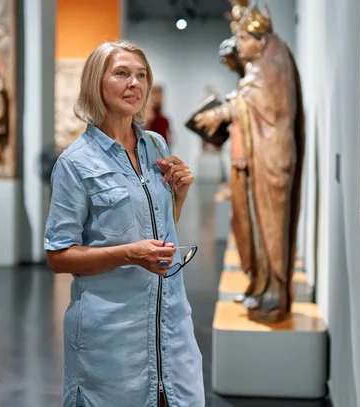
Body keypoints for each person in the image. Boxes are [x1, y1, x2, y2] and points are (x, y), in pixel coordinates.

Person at [44, 40, 204, 407]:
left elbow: (155, 228)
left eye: (142, 75)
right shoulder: (76, 163)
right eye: (122, 73)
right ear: (96, 84)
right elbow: (58, 256)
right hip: (113, 338)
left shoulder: (157, 146)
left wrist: (177, 199)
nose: (135, 83)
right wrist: (130, 255)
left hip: (172, 326)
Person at [193, 3, 305, 323]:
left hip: (270, 158)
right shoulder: (258, 67)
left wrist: (221, 112)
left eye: (243, 38)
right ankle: (261, 284)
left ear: (261, 39)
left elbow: (260, 106)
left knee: (270, 227)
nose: (239, 46)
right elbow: (247, 101)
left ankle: (276, 291)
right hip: (254, 158)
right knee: (253, 225)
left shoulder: (272, 64)